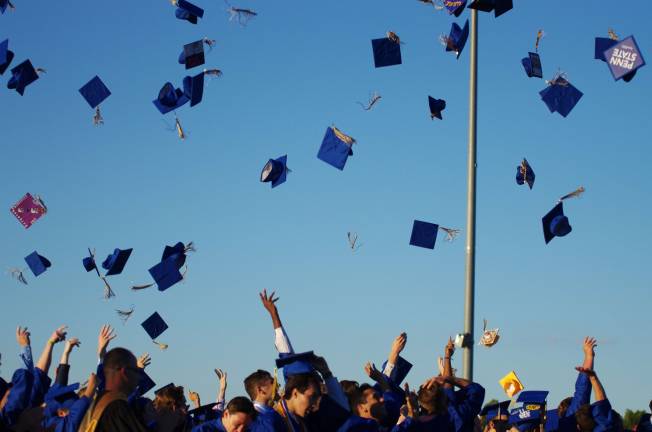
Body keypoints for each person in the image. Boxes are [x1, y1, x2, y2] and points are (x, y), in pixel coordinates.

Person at [80, 346, 149, 432]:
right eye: (136, 370)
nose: (139, 377)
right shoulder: (118, 408)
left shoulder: (91, 407)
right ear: (124, 371)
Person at [192, 396, 258, 432]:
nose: (240, 431)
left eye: (245, 427)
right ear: (226, 414)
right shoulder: (203, 430)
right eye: (237, 425)